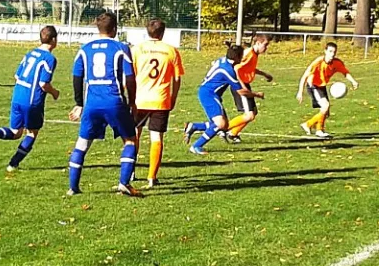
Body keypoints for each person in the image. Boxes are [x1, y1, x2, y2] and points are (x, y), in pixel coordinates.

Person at [67, 12, 141, 197]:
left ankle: (72, 188)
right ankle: (124, 183)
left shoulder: (85, 49)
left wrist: (79, 103)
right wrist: (132, 101)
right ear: (115, 29)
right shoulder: (121, 47)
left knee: (82, 143)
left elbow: (77, 76)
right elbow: (130, 78)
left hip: (92, 103)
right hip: (114, 101)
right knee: (130, 140)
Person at [0, 26, 60, 172]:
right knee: (31, 133)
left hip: (17, 97)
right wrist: (55, 93)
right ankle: (13, 164)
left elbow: (16, 76)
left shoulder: (30, 53)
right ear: (54, 39)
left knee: (15, 132)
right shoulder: (49, 59)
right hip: (32, 101)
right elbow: (43, 84)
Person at [131, 19, 185, 188]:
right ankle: (152, 177)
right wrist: (173, 96)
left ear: (147, 31)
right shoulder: (171, 51)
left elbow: (130, 75)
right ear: (163, 33)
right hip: (161, 99)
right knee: (156, 137)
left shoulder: (137, 50)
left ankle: (130, 170)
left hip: (139, 99)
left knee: (134, 135)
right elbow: (177, 78)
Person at [184, 44, 265, 155]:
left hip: (209, 93)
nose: (242, 58)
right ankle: (196, 146)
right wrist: (256, 94)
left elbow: (214, 64)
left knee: (224, 125)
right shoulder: (228, 71)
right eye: (241, 56)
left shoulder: (223, 60)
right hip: (209, 94)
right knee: (220, 124)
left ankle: (194, 126)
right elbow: (241, 92)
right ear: (237, 57)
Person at [296, 42, 359, 138]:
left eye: (334, 52)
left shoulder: (337, 63)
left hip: (321, 86)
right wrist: (300, 92)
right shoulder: (318, 62)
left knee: (326, 112)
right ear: (325, 51)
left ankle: (315, 128)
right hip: (313, 85)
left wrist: (353, 81)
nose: (332, 54)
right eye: (330, 51)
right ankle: (311, 126)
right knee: (325, 106)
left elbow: (345, 72)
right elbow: (305, 76)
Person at [221, 34, 273, 143]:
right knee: (249, 115)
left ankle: (233, 133)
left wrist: (264, 74)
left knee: (253, 112)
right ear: (258, 43)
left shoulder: (254, 54)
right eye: (265, 45)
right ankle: (222, 129)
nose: (266, 48)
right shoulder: (248, 53)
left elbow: (249, 68)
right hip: (239, 85)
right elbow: (236, 68)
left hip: (244, 84)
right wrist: (244, 88)